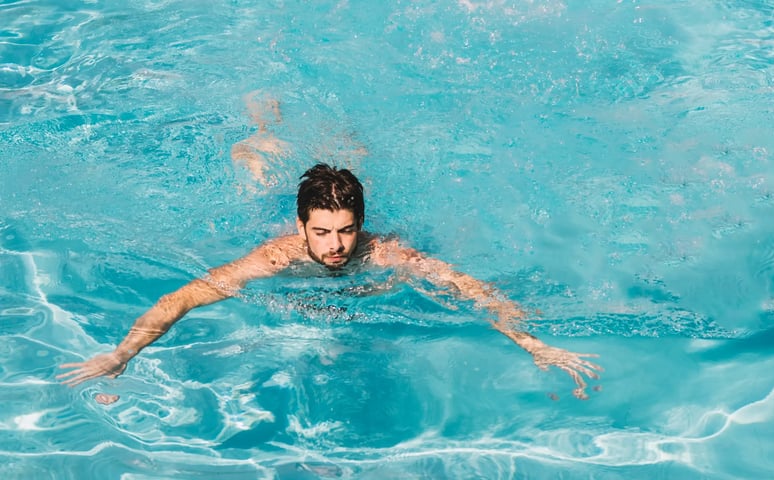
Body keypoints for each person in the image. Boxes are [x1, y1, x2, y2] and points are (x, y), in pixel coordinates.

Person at [58, 97, 602, 400]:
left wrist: (533, 345)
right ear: (301, 228)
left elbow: (475, 291)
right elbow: (180, 299)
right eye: (321, 232)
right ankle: (265, 125)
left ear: (362, 224)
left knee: (350, 154)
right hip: (264, 210)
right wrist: (123, 353)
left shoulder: (388, 254)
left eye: (346, 230)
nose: (336, 246)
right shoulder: (275, 258)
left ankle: (337, 144)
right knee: (252, 170)